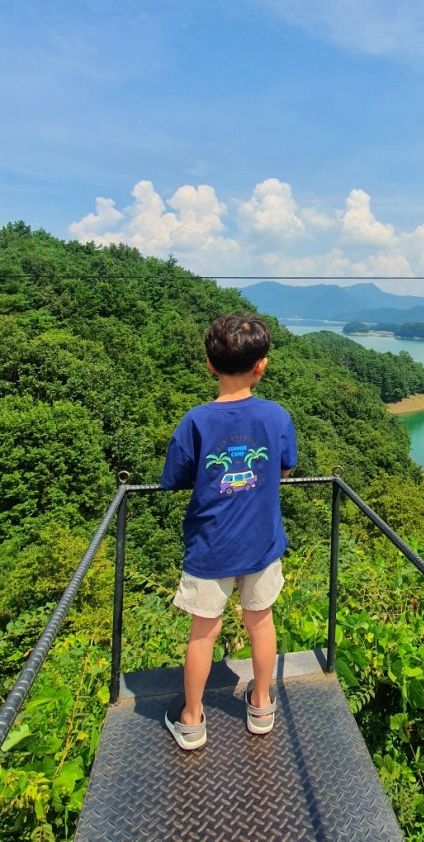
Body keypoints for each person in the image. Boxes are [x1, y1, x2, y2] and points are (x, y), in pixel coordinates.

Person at [160, 313, 297, 750]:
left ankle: (191, 719)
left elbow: (175, 477)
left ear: (209, 364)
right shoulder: (276, 416)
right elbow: (285, 468)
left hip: (210, 545)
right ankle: (261, 704)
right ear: (262, 365)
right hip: (261, 542)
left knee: (203, 632)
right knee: (260, 621)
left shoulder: (196, 421)